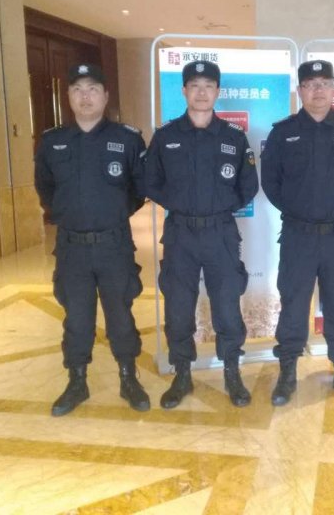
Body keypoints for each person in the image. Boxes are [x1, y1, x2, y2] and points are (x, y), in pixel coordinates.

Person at [35, 63, 150, 416]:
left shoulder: (127, 139)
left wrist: (110, 216)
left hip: (114, 245)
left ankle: (128, 378)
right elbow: (45, 189)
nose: (85, 97)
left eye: (93, 89)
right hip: (72, 248)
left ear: (105, 96)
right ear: (68, 96)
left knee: (120, 315)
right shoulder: (52, 142)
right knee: (77, 318)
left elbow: (138, 190)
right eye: (78, 90)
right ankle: (77, 381)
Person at [144, 60, 258, 409]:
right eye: (194, 85)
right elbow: (150, 181)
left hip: (220, 233)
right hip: (180, 234)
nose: (202, 92)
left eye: (208, 86)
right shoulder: (166, 137)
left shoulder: (233, 137)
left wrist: (220, 208)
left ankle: (232, 372)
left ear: (218, 91)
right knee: (178, 307)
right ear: (184, 91)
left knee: (227, 305)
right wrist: (180, 205)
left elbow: (248, 185)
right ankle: (182, 373)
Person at [261, 59, 334, 406]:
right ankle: (287, 372)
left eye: (324, 83)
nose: (318, 90)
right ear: (300, 91)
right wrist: (300, 211)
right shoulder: (283, 133)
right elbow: (271, 183)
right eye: (310, 84)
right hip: (299, 236)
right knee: (293, 304)